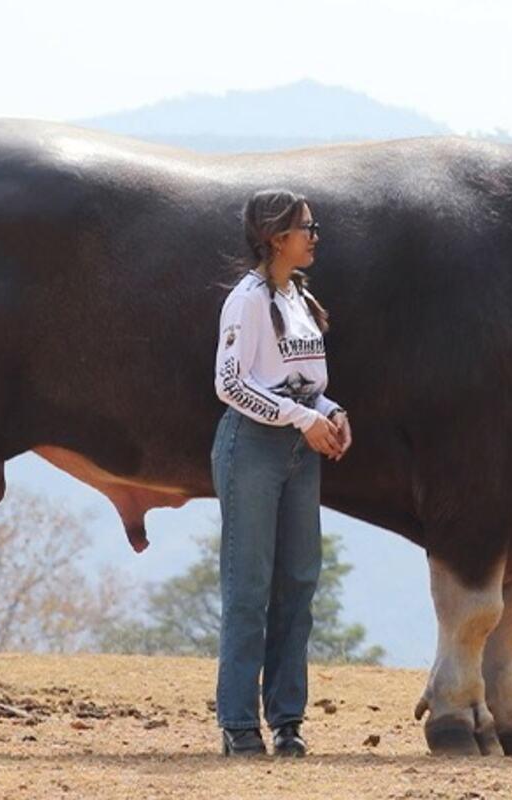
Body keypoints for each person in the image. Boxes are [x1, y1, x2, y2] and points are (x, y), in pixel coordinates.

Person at [210, 189, 352, 757]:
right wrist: (301, 417)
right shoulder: (247, 300)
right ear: (275, 237)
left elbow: (301, 381)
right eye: (306, 228)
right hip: (252, 450)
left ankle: (288, 720)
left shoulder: (297, 297)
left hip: (298, 451)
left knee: (298, 583)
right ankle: (238, 723)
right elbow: (230, 383)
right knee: (248, 587)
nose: (314, 237)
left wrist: (330, 413)